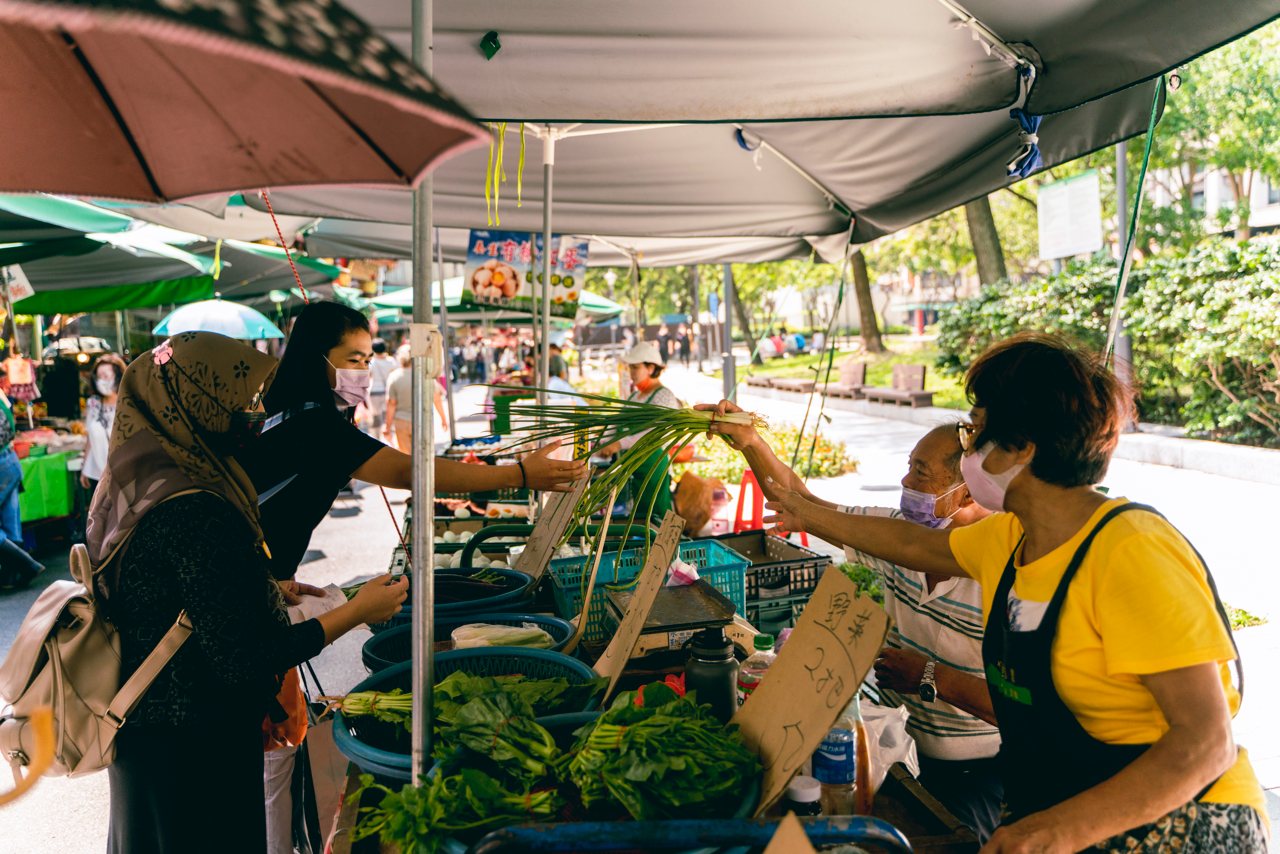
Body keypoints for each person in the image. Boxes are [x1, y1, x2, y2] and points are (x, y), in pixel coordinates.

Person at [761, 333, 1266, 852]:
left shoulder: (1131, 551)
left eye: (975, 430)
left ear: (1023, 447)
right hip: (1060, 801)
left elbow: (1205, 742)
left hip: (1176, 820)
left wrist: (1055, 831)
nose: (967, 449)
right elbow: (910, 542)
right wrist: (807, 512)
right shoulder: (1011, 538)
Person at [89, 332, 407, 854]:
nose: (254, 414)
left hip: (147, 737)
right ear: (198, 402)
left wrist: (260, 589)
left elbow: (165, 594)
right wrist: (355, 611)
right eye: (241, 400)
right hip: (194, 749)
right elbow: (245, 657)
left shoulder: (141, 483)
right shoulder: (195, 507)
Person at [701, 403, 1003, 839]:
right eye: (909, 467)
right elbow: (805, 503)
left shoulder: (1004, 572)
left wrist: (929, 676)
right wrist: (750, 442)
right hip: (898, 748)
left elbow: (1022, 708)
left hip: (976, 772)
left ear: (969, 492)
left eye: (920, 472)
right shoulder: (896, 536)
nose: (905, 482)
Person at [242, 301, 584, 579]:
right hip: (244, 573)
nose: (362, 371)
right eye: (353, 360)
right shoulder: (314, 426)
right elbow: (411, 472)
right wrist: (518, 475)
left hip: (261, 571)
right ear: (314, 359)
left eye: (367, 361)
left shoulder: (285, 410)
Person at [597, 342, 680, 520]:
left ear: (651, 368)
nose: (631, 372)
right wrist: (604, 441)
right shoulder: (635, 396)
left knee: (654, 518)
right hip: (632, 469)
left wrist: (619, 443)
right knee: (635, 519)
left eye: (635, 367)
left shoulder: (664, 396)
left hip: (652, 470)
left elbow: (654, 433)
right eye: (630, 368)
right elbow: (617, 422)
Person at [0, 386, 43, 590]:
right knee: (10, 520)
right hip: (10, 460)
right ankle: (10, 577)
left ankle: (26, 564)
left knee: (10, 519)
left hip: (2, 463)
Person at [79, 353, 127, 496]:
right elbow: (90, 438)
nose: (101, 381)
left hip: (124, 473)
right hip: (98, 474)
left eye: (106, 376)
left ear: (118, 377)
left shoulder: (128, 403)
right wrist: (85, 468)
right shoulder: (93, 404)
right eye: (99, 376)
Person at [384, 345, 447, 452]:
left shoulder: (394, 377)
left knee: (406, 457)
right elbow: (436, 399)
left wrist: (388, 427)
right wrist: (443, 419)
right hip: (423, 421)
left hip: (401, 422)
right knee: (424, 455)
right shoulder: (426, 375)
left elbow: (391, 404)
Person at [366, 338, 397, 434]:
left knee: (375, 417)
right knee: (387, 416)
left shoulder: (371, 362)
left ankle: (376, 437)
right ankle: (387, 436)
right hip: (388, 391)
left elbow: (368, 376)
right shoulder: (391, 361)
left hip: (374, 392)